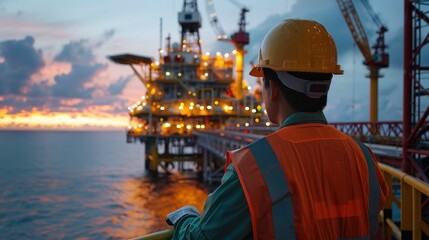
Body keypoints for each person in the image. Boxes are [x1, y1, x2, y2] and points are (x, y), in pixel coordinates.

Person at [165, 18, 389, 239]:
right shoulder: (364, 157)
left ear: (272, 89)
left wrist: (185, 217)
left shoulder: (255, 165)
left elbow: (201, 237)